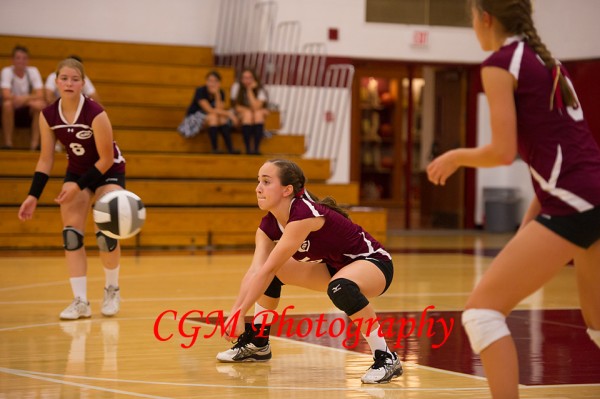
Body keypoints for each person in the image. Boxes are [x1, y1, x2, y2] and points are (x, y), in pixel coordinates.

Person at [426, 1, 600, 398]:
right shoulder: (547, 60)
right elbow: (559, 153)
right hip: (591, 194)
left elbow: (503, 153)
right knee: (598, 325)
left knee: (482, 314)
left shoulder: (500, 63)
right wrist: (530, 228)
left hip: (574, 200)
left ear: (485, 18)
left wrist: (455, 156)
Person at [216, 159, 402, 384]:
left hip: (374, 263)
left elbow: (267, 268)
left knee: (339, 287)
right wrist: (236, 312)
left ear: (287, 190)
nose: (258, 188)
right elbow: (257, 271)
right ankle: (258, 342)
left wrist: (239, 312)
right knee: (272, 274)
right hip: (335, 268)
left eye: (266, 181)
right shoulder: (268, 226)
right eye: (258, 182)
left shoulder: (304, 214)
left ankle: (385, 357)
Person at [18, 58, 127, 320]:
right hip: (78, 172)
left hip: (108, 172)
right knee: (71, 234)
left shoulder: (95, 112)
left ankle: (112, 288)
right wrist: (33, 196)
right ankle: (80, 301)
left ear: (83, 83)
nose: (69, 83)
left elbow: (105, 159)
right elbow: (46, 159)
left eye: (75, 79)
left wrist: (78, 187)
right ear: (56, 82)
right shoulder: (48, 115)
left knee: (105, 234)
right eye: (64, 78)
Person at [178, 70, 239, 154]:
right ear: (206, 81)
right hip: (195, 118)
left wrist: (217, 94)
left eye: (215, 81)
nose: (212, 83)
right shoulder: (200, 91)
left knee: (221, 118)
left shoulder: (221, 92)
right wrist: (229, 114)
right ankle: (214, 148)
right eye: (210, 81)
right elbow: (209, 110)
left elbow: (219, 109)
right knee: (214, 117)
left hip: (212, 117)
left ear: (219, 83)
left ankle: (230, 149)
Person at [1, 45, 46, 150]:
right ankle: (8, 143)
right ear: (12, 59)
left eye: (24, 58)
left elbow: (40, 94)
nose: (21, 61)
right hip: (12, 107)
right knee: (7, 104)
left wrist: (24, 100)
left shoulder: (33, 71)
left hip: (26, 108)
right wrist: (29, 101)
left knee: (40, 105)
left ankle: (34, 145)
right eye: (18, 58)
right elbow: (6, 95)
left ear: (28, 60)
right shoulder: (7, 71)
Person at [230, 67, 268, 155]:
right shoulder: (236, 87)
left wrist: (249, 90)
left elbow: (256, 107)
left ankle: (256, 149)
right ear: (241, 79)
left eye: (249, 78)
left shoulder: (260, 89)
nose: (247, 80)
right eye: (245, 78)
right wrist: (252, 110)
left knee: (258, 114)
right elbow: (236, 107)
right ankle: (248, 149)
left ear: (254, 78)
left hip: (254, 117)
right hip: (239, 117)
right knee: (249, 114)